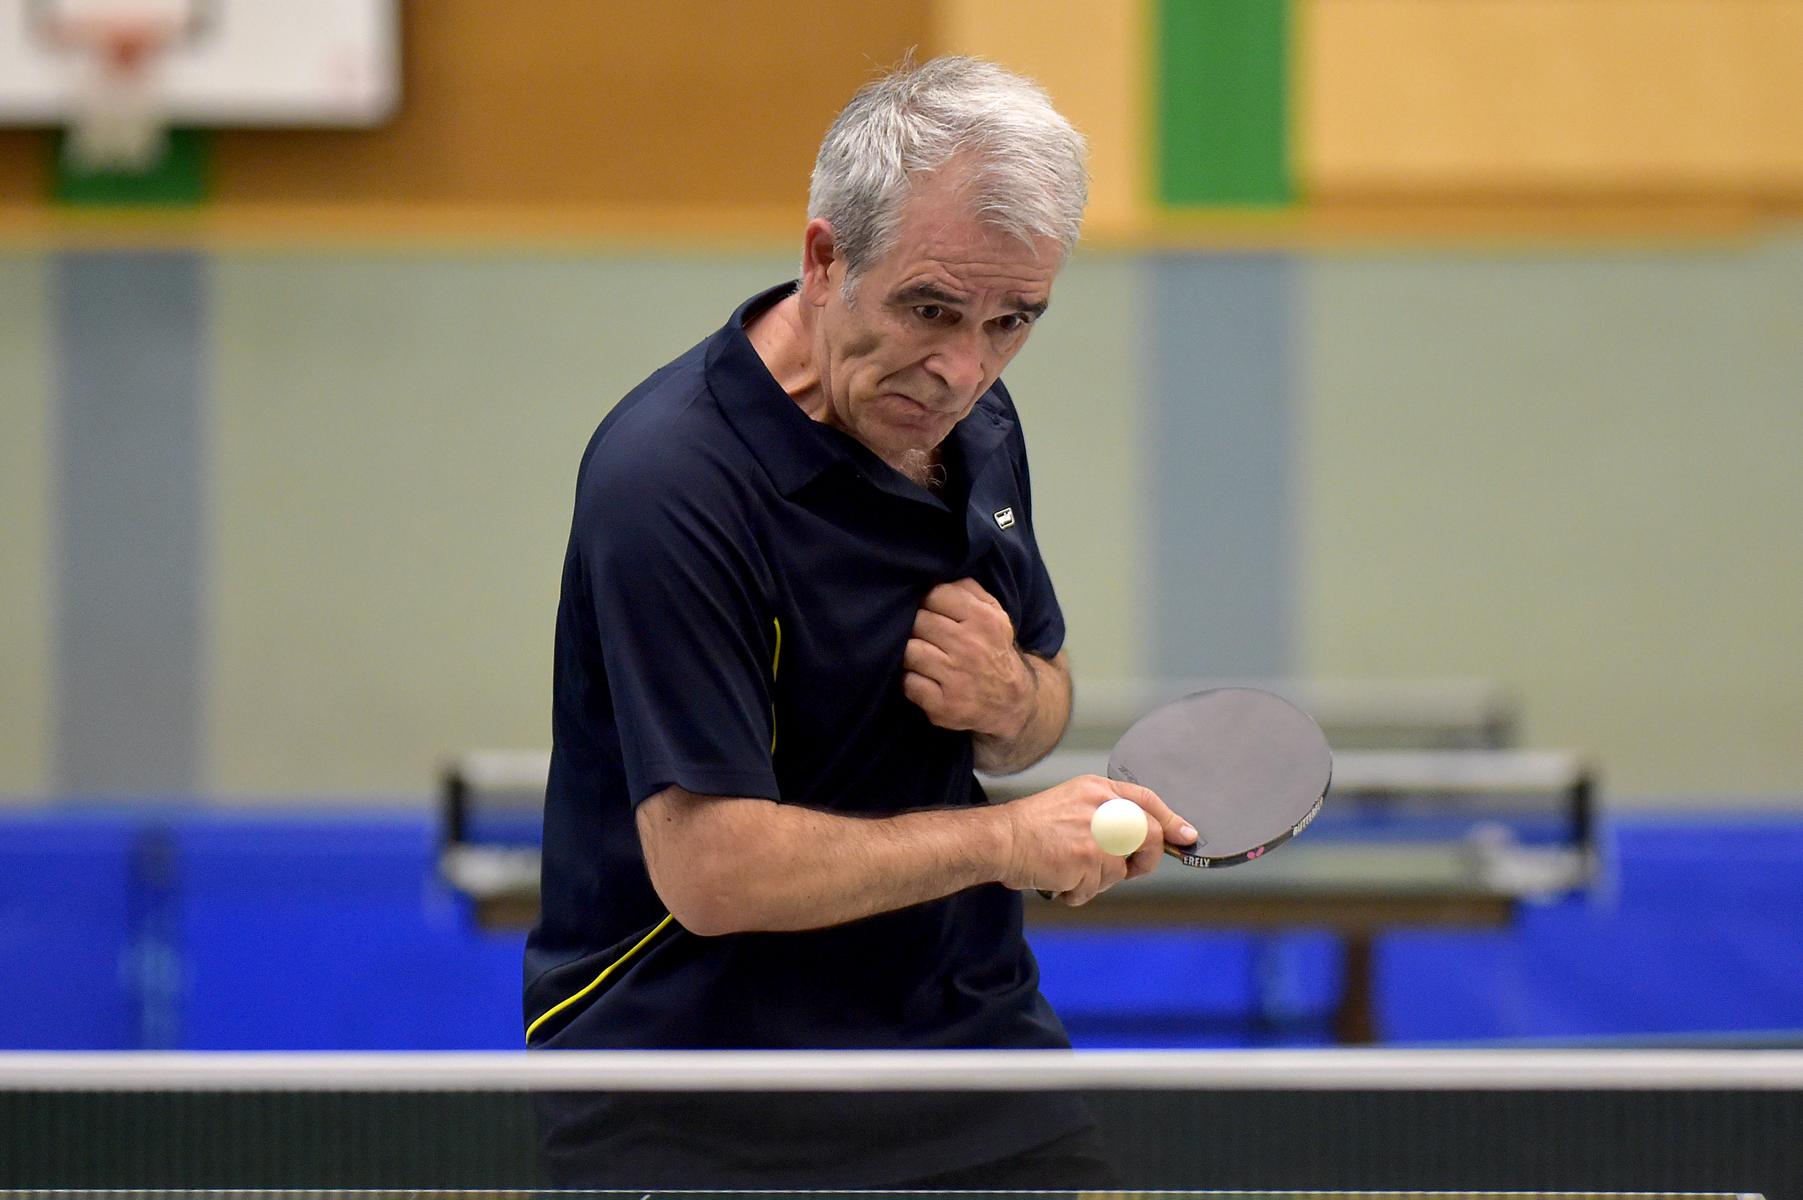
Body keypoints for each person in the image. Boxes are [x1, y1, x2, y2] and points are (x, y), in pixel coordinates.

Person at [524, 55, 1194, 1189]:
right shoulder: (674, 481)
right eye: (930, 310)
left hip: (969, 1060)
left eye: (1011, 322)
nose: (963, 369)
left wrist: (1011, 699)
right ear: (825, 258)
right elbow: (712, 871)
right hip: (694, 1098)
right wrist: (1005, 842)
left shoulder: (972, 423)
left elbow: (1035, 709)